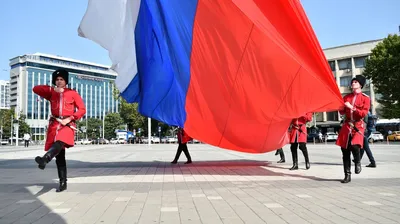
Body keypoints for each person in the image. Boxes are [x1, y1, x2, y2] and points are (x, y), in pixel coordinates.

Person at [33, 69, 86, 192]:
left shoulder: (73, 93)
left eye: (61, 79)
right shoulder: (52, 93)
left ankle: (45, 159)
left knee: (60, 142)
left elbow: (82, 109)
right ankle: (63, 182)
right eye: (57, 79)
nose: (59, 81)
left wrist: (71, 118)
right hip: (54, 124)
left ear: (66, 81)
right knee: (60, 156)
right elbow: (36, 88)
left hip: (67, 124)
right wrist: (52, 89)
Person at [336, 75, 370, 183]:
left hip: (358, 125)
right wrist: (339, 107)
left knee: (355, 146)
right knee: (345, 150)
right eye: (353, 82)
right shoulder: (347, 97)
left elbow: (363, 113)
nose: (353, 83)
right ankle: (347, 175)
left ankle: (357, 160)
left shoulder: (365, 98)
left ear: (360, 84)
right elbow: (342, 112)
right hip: (347, 125)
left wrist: (351, 107)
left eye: (355, 82)